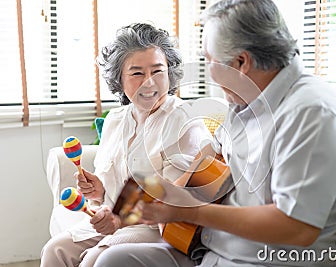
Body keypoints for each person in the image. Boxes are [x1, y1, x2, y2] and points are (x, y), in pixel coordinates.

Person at [93, 0, 336, 267]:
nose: (208, 71)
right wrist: (166, 194)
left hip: (261, 261)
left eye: (209, 61)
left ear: (241, 61)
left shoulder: (312, 114)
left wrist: (191, 212)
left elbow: (297, 227)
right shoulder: (244, 102)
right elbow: (214, 169)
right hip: (208, 250)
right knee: (113, 260)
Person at [40, 23, 212, 267]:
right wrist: (98, 191)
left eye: (157, 71)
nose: (149, 83)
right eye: (137, 73)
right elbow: (108, 195)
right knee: (54, 250)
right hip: (115, 221)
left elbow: (179, 200)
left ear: (170, 73)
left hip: (157, 230)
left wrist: (120, 219)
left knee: (93, 260)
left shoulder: (185, 121)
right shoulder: (115, 120)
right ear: (119, 79)